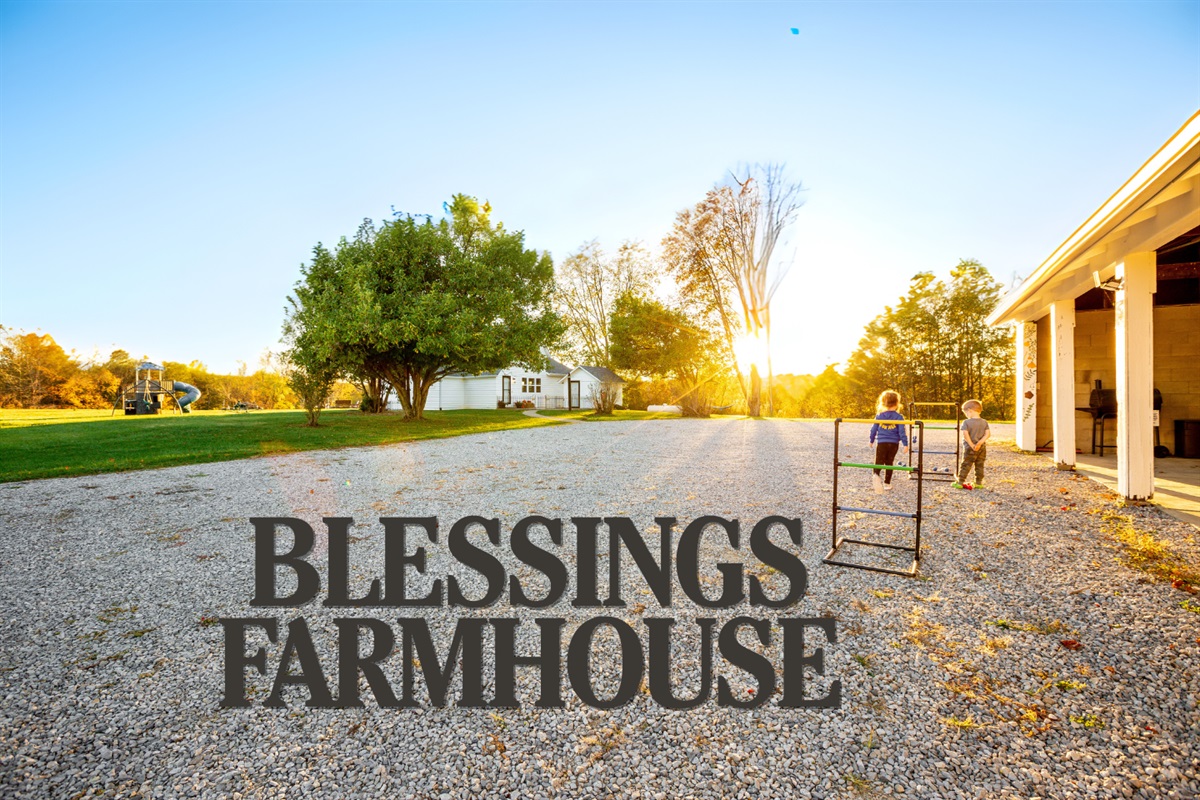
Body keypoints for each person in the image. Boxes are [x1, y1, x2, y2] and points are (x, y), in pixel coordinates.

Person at [869, 390, 909, 494]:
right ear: (897, 403)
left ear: (883, 403)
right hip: (893, 444)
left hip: (881, 442)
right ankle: (887, 483)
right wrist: (905, 444)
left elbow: (873, 429)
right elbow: (902, 432)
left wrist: (871, 440)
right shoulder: (899, 417)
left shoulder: (879, 416)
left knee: (878, 460)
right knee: (889, 462)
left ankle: (876, 475)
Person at [954, 399, 990, 489]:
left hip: (970, 448)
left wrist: (972, 445)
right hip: (982, 447)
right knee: (979, 465)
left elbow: (966, 435)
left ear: (970, 410)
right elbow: (988, 434)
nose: (966, 415)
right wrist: (980, 443)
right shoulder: (984, 422)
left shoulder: (966, 422)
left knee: (966, 464)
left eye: (966, 413)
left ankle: (960, 483)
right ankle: (978, 483)